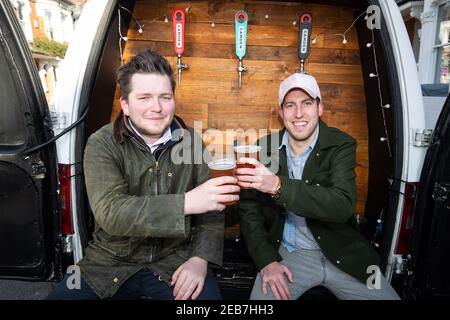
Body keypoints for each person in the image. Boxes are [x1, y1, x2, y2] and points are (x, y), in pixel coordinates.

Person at [47, 50, 240, 300]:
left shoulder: (192, 142)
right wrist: (187, 202)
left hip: (175, 259)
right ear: (125, 105)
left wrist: (200, 259)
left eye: (165, 97)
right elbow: (111, 212)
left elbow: (212, 213)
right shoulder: (102, 143)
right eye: (144, 97)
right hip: (107, 261)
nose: (156, 107)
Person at [236, 72, 400, 300]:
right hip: (289, 255)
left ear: (320, 107)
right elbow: (249, 211)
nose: (299, 113)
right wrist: (267, 261)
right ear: (281, 113)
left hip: (347, 254)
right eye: (290, 105)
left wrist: (277, 186)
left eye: (307, 103)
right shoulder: (264, 148)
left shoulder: (342, 144)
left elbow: (342, 205)